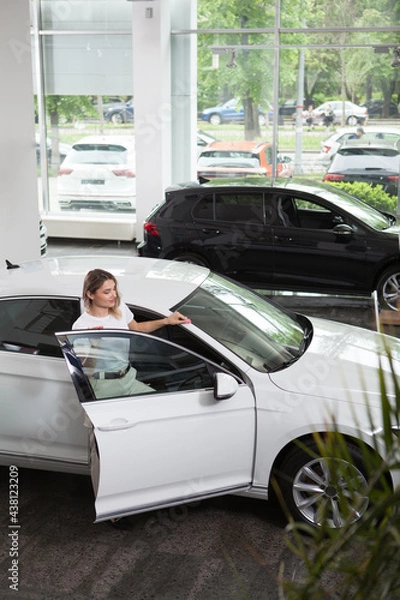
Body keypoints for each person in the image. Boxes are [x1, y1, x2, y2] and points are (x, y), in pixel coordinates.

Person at [72, 268, 190, 529]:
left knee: (160, 422)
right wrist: (95, 345)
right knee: (105, 449)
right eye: (106, 291)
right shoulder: (81, 327)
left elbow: (135, 328)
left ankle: (152, 489)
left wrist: (166, 321)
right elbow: (83, 368)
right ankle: (112, 510)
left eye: (114, 289)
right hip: (102, 387)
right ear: (90, 294)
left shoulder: (119, 309)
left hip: (128, 379)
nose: (113, 295)